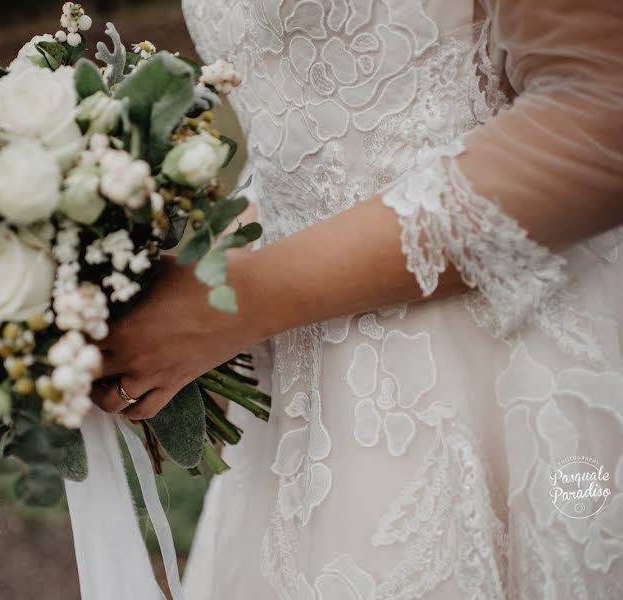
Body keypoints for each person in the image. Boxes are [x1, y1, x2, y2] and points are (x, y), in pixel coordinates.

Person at [91, 0, 623, 598]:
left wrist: (245, 298)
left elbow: (600, 113)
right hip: (304, 406)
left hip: (501, 365)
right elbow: (313, 141)